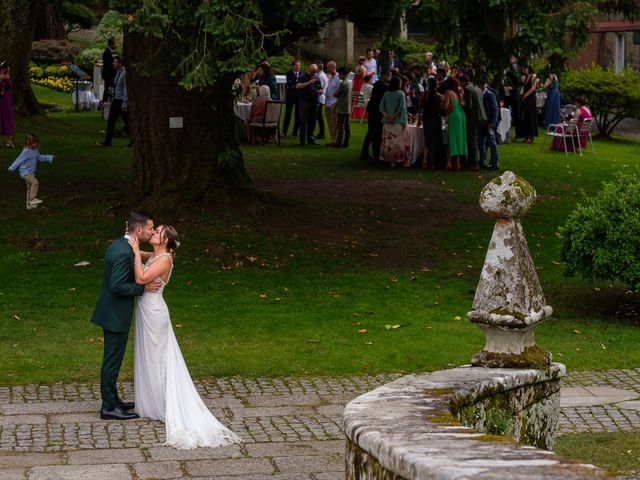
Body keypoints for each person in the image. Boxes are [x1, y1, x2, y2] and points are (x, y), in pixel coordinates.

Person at [128, 225, 242, 449]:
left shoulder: (165, 260)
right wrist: (132, 246)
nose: (153, 233)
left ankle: (168, 403)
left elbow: (141, 278)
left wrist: (134, 254)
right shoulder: (158, 255)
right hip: (146, 311)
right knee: (150, 358)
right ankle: (155, 402)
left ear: (166, 240)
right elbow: (144, 256)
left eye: (157, 231)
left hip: (154, 312)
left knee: (160, 359)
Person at [91, 211, 161, 421]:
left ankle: (114, 400)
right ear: (139, 230)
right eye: (150, 228)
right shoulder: (123, 252)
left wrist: (153, 255)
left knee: (113, 359)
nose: (151, 232)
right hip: (114, 314)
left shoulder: (122, 245)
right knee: (112, 361)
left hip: (112, 312)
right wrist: (143, 288)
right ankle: (109, 407)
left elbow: (134, 257)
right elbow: (117, 286)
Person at [7, 133, 53, 209]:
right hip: (25, 172)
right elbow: (18, 159)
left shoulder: (35, 151)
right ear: (30, 143)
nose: (36, 144)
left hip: (31, 173)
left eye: (37, 143)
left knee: (29, 188)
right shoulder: (26, 151)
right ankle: (33, 199)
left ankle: (29, 205)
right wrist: (11, 168)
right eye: (35, 143)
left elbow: (39, 157)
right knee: (35, 182)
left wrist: (49, 158)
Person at [97, 56, 129, 147]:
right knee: (111, 121)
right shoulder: (118, 72)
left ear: (120, 63)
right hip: (115, 100)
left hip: (121, 101)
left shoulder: (124, 73)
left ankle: (134, 142)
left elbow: (126, 88)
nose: (113, 64)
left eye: (115, 62)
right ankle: (108, 142)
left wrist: (125, 102)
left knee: (127, 122)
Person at [379, 75, 410, 166]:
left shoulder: (386, 94)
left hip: (387, 121)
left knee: (389, 142)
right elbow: (401, 107)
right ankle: (399, 159)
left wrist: (387, 116)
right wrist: (393, 117)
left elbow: (381, 107)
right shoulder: (401, 94)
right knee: (399, 142)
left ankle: (388, 158)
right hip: (399, 121)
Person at [459, 72, 486, 170]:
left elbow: (468, 106)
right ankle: (474, 161)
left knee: (472, 140)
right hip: (481, 117)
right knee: (475, 140)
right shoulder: (477, 88)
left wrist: (459, 105)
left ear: (462, 82)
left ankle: (474, 163)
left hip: (474, 118)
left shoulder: (467, 89)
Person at [359, 73, 388, 161]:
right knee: (375, 132)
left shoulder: (377, 84)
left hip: (373, 109)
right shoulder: (382, 86)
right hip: (376, 111)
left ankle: (367, 152)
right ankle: (375, 153)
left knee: (371, 132)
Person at [442, 77, 467, 171]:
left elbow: (446, 106)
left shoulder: (448, 92)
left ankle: (449, 162)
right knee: (459, 138)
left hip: (453, 116)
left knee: (451, 139)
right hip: (461, 116)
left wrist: (442, 101)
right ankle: (457, 162)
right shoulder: (458, 93)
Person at [296, 63, 322, 146]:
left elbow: (320, 88)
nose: (313, 74)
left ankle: (310, 138)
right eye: (312, 72)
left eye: (314, 72)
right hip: (304, 102)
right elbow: (297, 86)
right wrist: (308, 83)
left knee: (313, 121)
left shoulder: (317, 78)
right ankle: (302, 139)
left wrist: (321, 91)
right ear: (308, 70)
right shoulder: (302, 76)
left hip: (314, 102)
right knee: (303, 121)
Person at [421, 76, 443, 169]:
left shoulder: (424, 94)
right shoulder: (438, 96)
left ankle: (424, 160)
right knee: (434, 140)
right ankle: (433, 162)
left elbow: (420, 107)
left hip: (426, 118)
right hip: (435, 119)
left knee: (427, 139)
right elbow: (440, 109)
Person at [477, 78, 500, 170]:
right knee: (481, 142)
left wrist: (492, 122)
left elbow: (495, 109)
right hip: (483, 122)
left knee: (492, 142)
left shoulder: (490, 94)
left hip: (489, 123)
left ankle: (495, 163)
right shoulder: (482, 94)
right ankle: (482, 161)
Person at [504, 55, 523, 140]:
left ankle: (518, 135)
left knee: (517, 115)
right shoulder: (507, 68)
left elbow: (519, 82)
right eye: (510, 58)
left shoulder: (518, 69)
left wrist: (513, 87)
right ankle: (505, 134)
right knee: (505, 113)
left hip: (515, 94)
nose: (511, 59)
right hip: (507, 94)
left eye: (513, 58)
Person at [332, 67, 351, 148]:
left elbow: (335, 94)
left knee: (341, 126)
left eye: (340, 74)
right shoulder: (349, 82)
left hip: (342, 107)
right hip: (347, 107)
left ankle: (338, 142)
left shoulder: (343, 83)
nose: (339, 75)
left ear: (344, 74)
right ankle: (346, 142)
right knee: (347, 126)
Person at [521, 65, 539, 143]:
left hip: (531, 98)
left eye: (525, 68)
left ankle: (531, 136)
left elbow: (533, 88)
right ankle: (526, 135)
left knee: (531, 116)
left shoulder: (533, 76)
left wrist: (525, 95)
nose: (524, 69)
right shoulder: (525, 77)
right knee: (526, 117)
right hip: (525, 98)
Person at [282, 59, 301, 136]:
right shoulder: (289, 74)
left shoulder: (302, 74)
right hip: (290, 96)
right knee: (288, 114)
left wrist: (296, 84)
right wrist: (297, 85)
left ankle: (295, 131)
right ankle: (284, 130)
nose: (298, 67)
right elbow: (290, 84)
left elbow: (300, 83)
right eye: (296, 65)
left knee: (298, 114)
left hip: (299, 97)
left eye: (299, 65)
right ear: (293, 66)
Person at [324, 61, 340, 145]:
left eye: (328, 67)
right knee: (330, 124)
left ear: (333, 67)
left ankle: (336, 140)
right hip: (328, 103)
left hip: (333, 104)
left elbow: (339, 92)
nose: (327, 69)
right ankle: (333, 140)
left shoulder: (337, 78)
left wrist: (336, 104)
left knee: (334, 123)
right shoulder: (331, 78)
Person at [0, 61, 15, 148]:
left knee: (8, 118)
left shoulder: (7, 77)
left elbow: (8, 86)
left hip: (6, 100)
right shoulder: (3, 75)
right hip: (2, 100)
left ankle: (9, 141)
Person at [101, 37, 117, 104]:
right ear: (110, 44)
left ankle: (106, 103)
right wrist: (116, 68)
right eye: (115, 44)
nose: (116, 45)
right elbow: (109, 65)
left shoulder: (109, 52)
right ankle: (105, 103)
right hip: (108, 75)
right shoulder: (107, 52)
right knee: (108, 90)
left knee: (108, 90)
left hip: (109, 75)